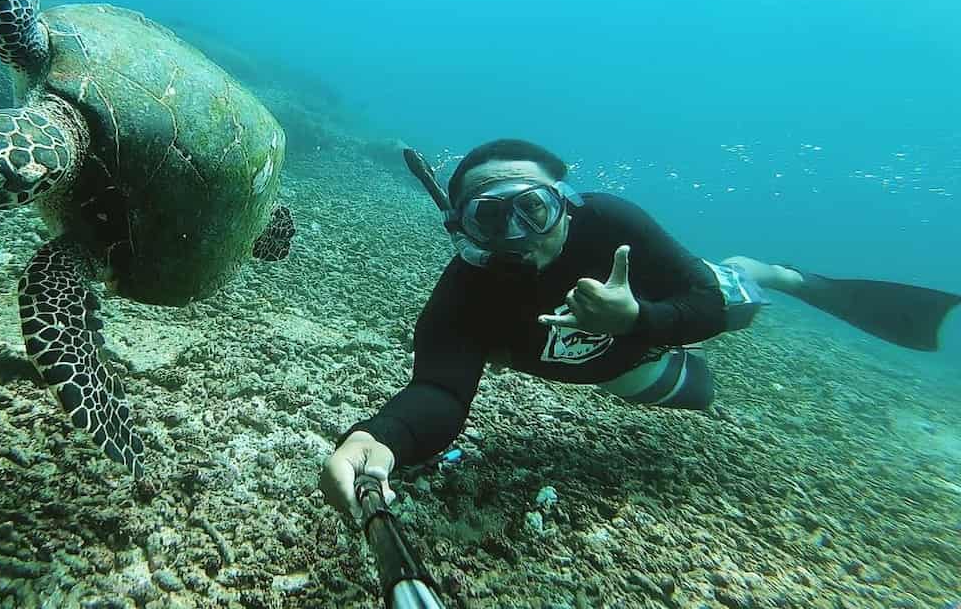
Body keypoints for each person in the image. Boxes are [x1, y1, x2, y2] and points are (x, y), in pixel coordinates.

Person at [319, 139, 961, 523]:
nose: (520, 234)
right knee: (697, 393)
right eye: (492, 218)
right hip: (606, 364)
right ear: (465, 229)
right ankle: (643, 360)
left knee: (737, 298)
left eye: (532, 208)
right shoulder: (463, 290)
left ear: (563, 203)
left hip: (660, 314)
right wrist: (383, 438)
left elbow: (703, 307)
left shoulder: (611, 222)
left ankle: (772, 272)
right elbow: (439, 390)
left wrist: (639, 318)